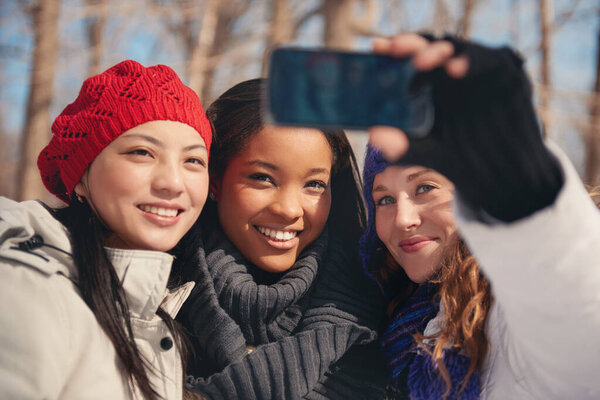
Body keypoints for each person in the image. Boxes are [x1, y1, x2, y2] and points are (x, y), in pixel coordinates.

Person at [361, 33, 600, 399]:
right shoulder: (396, 317)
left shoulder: (510, 309)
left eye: (425, 187)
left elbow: (580, 318)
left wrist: (522, 180)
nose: (403, 219)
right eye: (384, 200)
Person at [0, 60, 212, 399]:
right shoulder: (30, 285)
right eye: (142, 152)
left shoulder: (172, 302)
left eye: (193, 161)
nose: (173, 182)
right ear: (80, 177)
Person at [178, 78, 388, 399]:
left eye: (315, 184)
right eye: (263, 178)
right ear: (215, 180)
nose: (290, 209)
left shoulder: (384, 308)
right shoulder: (153, 292)